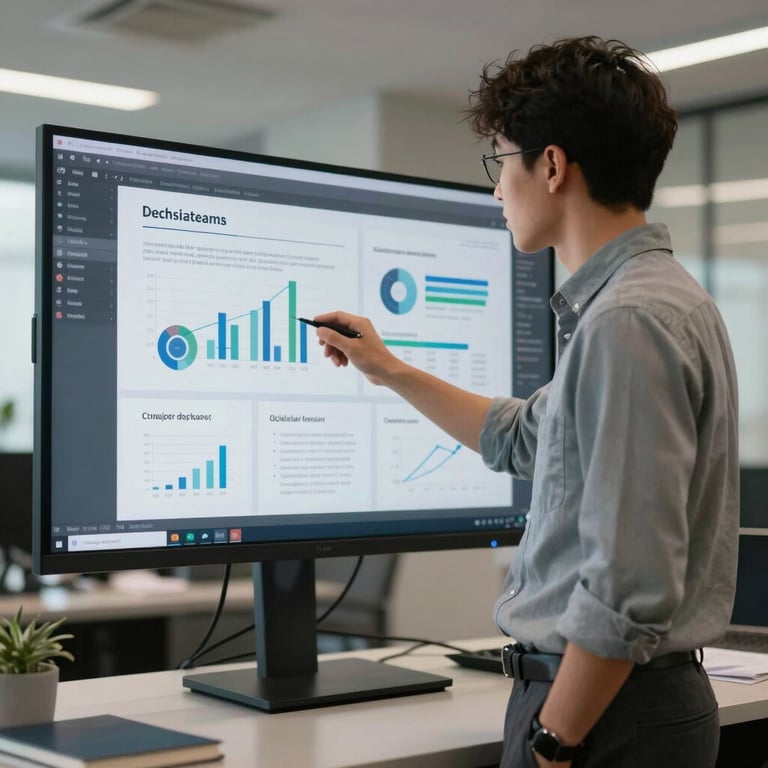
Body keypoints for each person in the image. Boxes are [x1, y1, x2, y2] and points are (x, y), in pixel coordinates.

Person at [313, 36, 739, 768]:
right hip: (621, 706)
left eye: (500, 162)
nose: (496, 191)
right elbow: (523, 437)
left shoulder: (628, 321)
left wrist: (553, 741)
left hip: (604, 717)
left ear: (552, 166)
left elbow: (627, 585)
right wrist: (389, 370)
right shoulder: (653, 301)